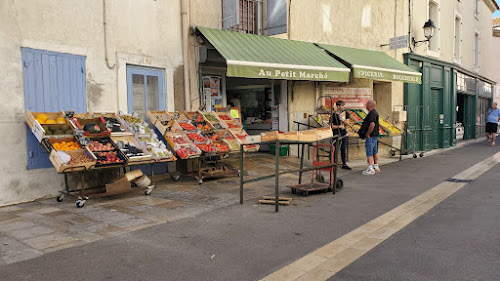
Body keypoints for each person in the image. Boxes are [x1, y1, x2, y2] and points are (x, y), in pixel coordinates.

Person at [359, 100, 380, 175]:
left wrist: (368, 134)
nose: (366, 105)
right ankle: (376, 166)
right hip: (375, 135)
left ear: (370, 105)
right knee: (375, 151)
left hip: (371, 136)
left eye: (367, 104)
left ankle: (370, 168)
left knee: (369, 151)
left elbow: (372, 124)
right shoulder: (375, 112)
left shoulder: (371, 113)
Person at [330, 100, 351, 170]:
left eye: (344, 105)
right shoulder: (333, 115)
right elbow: (331, 126)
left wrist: (342, 120)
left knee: (343, 148)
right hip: (336, 134)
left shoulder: (346, 113)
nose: (343, 107)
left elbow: (347, 123)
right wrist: (339, 126)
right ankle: (334, 164)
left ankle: (344, 163)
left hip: (344, 134)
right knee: (335, 149)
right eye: (342, 105)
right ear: (338, 106)